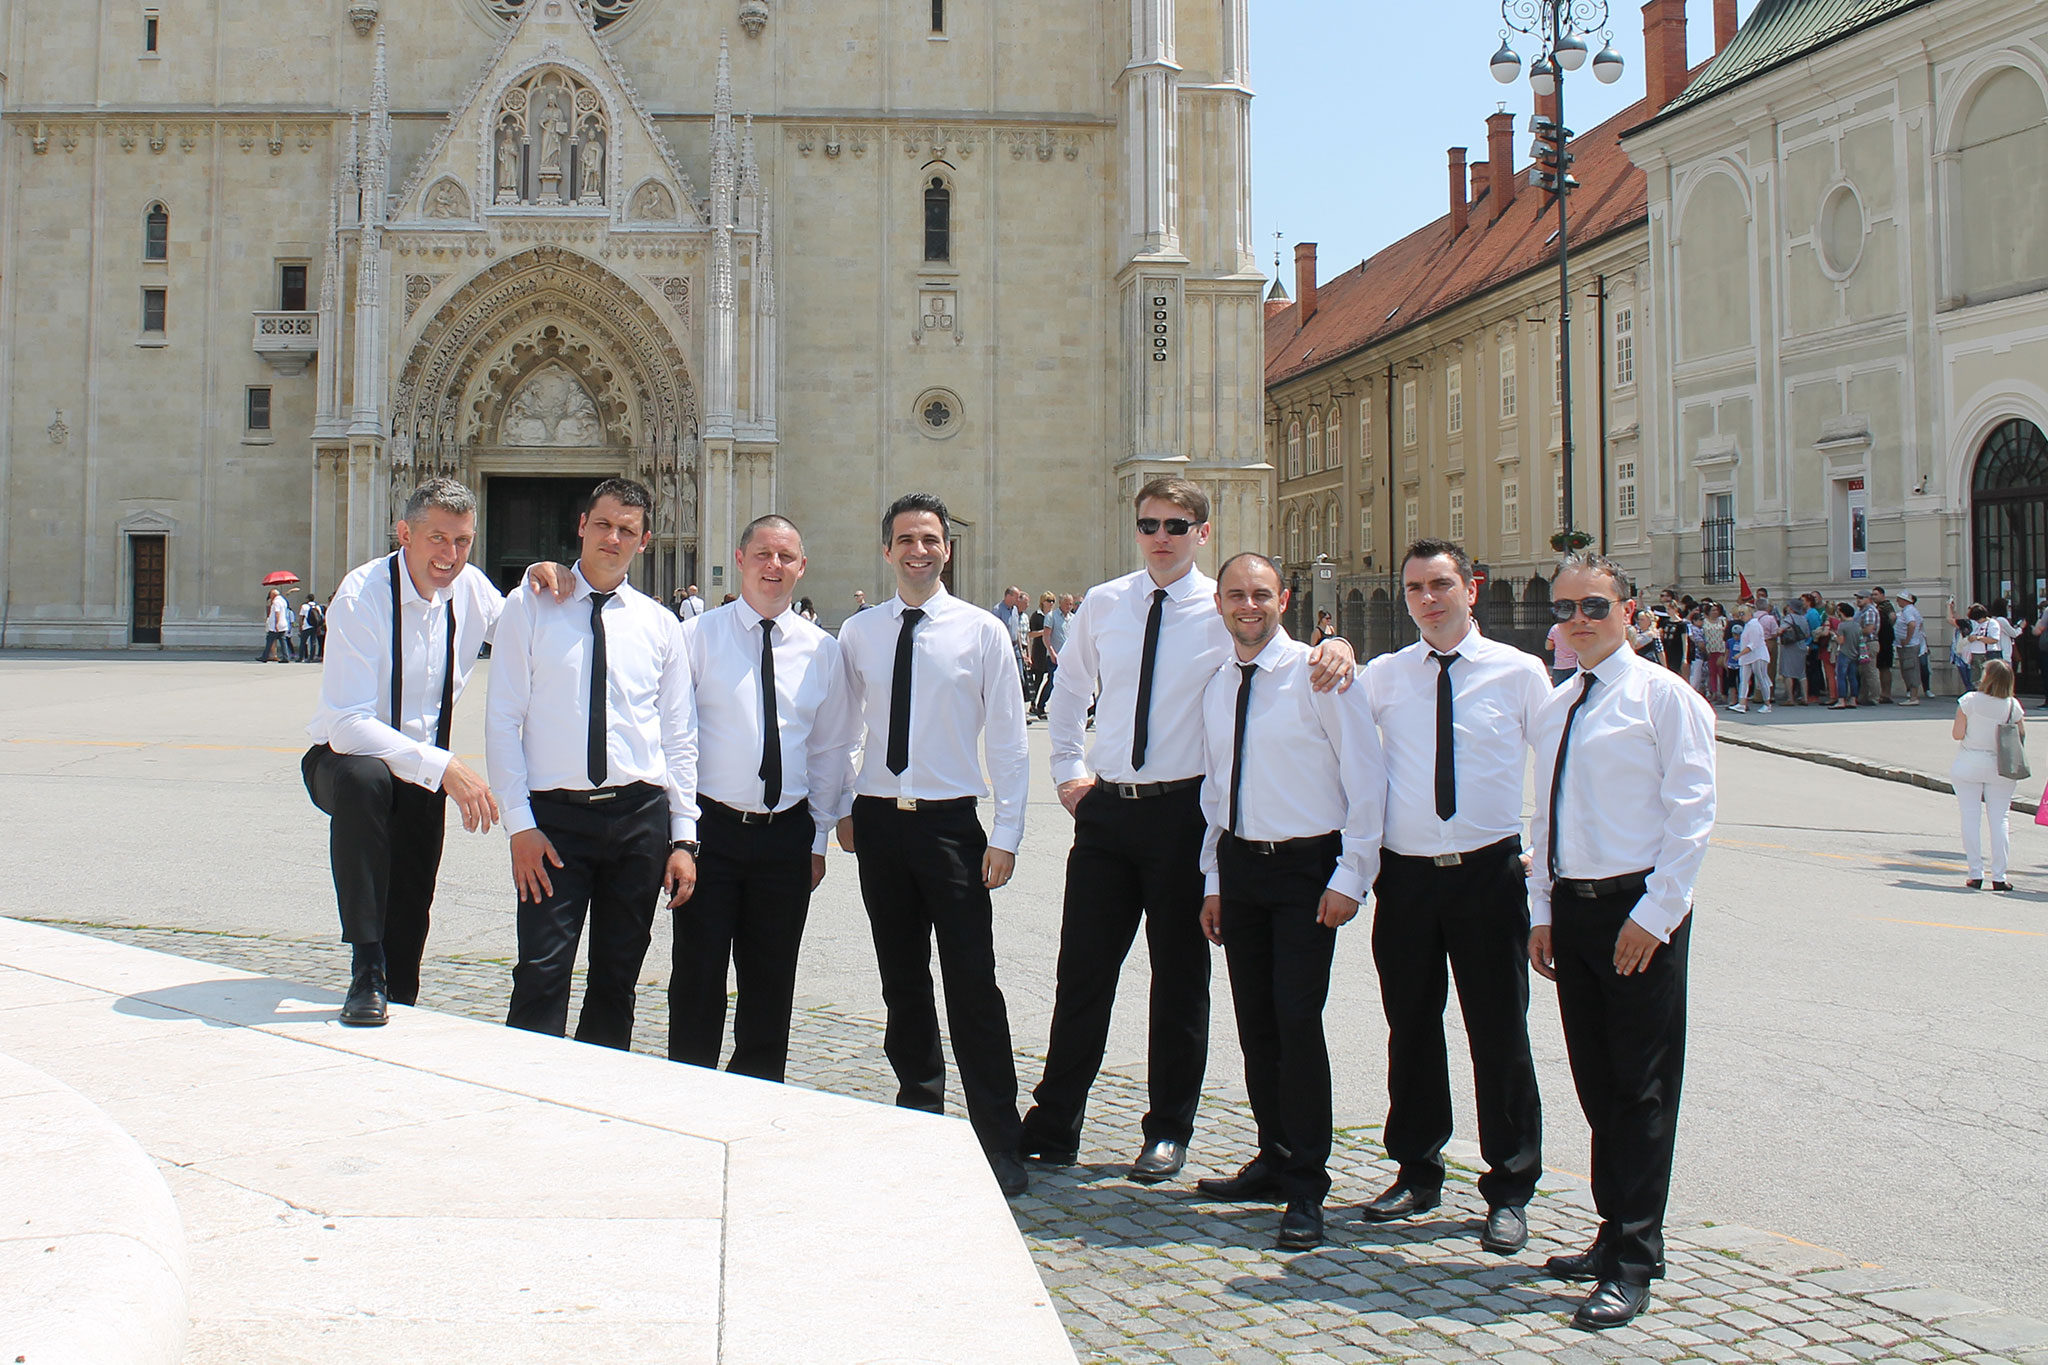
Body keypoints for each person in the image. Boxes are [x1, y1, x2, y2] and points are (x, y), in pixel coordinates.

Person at [1023, 476, 1356, 1185]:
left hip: (1183, 813)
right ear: (1136, 529)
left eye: (1177, 525)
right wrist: (1068, 771)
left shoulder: (1223, 606)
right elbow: (1071, 686)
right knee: (1082, 971)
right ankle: (1055, 1120)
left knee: (1179, 979)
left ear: (1202, 533)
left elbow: (1282, 654)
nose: (1162, 537)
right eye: (1150, 524)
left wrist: (1341, 646)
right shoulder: (1105, 603)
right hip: (1108, 808)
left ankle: (1168, 1129)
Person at [1529, 553, 1716, 1331]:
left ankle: (1633, 1259)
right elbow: (1543, 815)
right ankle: (1618, 1229)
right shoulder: (1558, 703)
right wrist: (1541, 908)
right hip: (1573, 910)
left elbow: (1692, 812)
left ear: (1628, 611)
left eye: (1595, 606)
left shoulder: (1663, 697)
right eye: (1566, 608)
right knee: (1598, 1082)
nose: (1579, 620)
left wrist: (1656, 913)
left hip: (1638, 912)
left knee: (1641, 1089)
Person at [302, 477, 566, 1025]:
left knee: (414, 893)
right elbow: (348, 724)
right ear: (405, 534)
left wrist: (541, 578)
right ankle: (365, 969)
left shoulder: (470, 589)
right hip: (343, 763)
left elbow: (523, 631)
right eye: (438, 538)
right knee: (367, 781)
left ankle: (397, 990)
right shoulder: (361, 594)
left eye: (463, 541)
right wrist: (445, 765)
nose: (451, 554)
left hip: (422, 772)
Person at [1352, 540, 1547, 1256]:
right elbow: (1338, 742)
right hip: (1406, 878)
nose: (1428, 599)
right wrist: (1334, 646)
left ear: (1473, 587)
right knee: (1410, 1026)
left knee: (1499, 1033)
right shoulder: (1384, 676)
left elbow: (1559, 767)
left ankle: (1510, 1187)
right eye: (1415, 588)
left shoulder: (1519, 673)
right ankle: (1417, 1169)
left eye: (1441, 584)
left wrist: (1545, 857)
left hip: (1488, 874)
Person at [836, 493, 1032, 1197]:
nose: (918, 551)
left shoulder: (982, 632)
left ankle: (998, 1137)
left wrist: (1006, 832)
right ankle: (919, 1110)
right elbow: (842, 728)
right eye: (906, 539)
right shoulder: (859, 632)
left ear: (947, 549)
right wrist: (844, 806)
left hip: (952, 827)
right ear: (886, 549)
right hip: (880, 824)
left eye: (930, 540)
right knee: (902, 980)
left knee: (973, 983)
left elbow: (1008, 738)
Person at [1195, 553, 1385, 1251]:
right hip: (1242, 867)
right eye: (1236, 595)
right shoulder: (1219, 681)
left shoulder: (1319, 674)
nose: (1248, 605)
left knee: (1297, 1022)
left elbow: (1366, 777)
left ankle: (1307, 1183)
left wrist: (1351, 875)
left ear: (1285, 598)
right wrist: (1214, 880)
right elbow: (1216, 789)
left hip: (1308, 868)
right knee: (1256, 1024)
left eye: (1261, 594)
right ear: (1220, 602)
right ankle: (1274, 1156)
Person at [487, 478, 699, 1051]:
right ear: (581, 525)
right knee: (541, 969)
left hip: (639, 817)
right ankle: (524, 1089)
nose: (613, 538)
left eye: (627, 530)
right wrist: (519, 826)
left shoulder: (660, 624)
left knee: (617, 977)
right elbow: (502, 719)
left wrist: (684, 837)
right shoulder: (530, 606)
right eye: (603, 524)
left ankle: (598, 1092)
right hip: (555, 821)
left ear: (645, 541)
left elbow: (679, 736)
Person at [670, 515, 858, 1082]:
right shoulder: (697, 637)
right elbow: (676, 740)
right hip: (712, 831)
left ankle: (757, 1092)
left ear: (802, 567)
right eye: (762, 554)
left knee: (772, 981)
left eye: (786, 557)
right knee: (697, 976)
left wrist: (817, 839)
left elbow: (830, 748)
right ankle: (689, 1091)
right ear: (740, 559)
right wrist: (681, 836)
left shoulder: (823, 651)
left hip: (786, 835)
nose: (773, 566)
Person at [1952, 657, 2023, 892]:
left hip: (1969, 762)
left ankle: (1975, 873)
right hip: (2001, 766)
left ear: (1987, 677)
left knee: (1970, 817)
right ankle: (2000, 876)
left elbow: (1957, 734)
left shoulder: (1969, 701)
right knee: (2000, 819)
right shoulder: (2012, 706)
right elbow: (2020, 736)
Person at [1728, 606, 1771, 713]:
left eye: (1743, 614)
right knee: (1744, 680)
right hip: (1747, 657)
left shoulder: (1754, 625)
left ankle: (1767, 704)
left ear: (1750, 614)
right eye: (1740, 614)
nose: (1741, 616)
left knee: (1761, 679)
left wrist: (1740, 654)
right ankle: (1742, 703)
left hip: (1757, 655)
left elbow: (1753, 644)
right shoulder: (1748, 625)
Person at [1025, 591, 1057, 720]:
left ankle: (1041, 703)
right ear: (1043, 602)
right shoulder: (1037, 616)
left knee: (1051, 679)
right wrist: (1044, 632)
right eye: (1049, 601)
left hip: (1050, 651)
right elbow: (1030, 634)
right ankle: (1033, 703)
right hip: (1039, 650)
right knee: (1037, 679)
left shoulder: (1054, 616)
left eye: (1053, 601)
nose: (1051, 603)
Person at [1775, 596, 1809, 705]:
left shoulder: (1789, 618)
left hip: (1790, 647)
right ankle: (1805, 697)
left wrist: (1777, 632)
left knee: (1788, 673)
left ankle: (1790, 698)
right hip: (1801, 646)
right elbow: (1807, 634)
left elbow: (1780, 630)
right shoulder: (1803, 618)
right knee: (1802, 674)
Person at [1895, 591, 1926, 705]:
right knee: (1909, 668)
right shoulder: (1911, 610)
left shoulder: (1908, 611)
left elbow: (1912, 624)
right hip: (1910, 644)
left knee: (1910, 669)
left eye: (1899, 599)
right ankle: (1912, 695)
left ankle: (1913, 697)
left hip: (1909, 646)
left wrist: (1907, 639)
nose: (1897, 601)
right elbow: (1920, 623)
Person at [1871, 587, 1896, 703]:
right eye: (1872, 595)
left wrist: (1887, 627)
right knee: (1881, 667)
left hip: (1885, 640)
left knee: (1885, 667)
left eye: (1876, 594)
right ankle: (1884, 693)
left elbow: (1893, 617)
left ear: (1882, 595)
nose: (1874, 597)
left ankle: (1886, 694)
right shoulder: (1878, 607)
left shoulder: (1886, 605)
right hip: (1882, 639)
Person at [261, 588, 297, 662]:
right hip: (283, 623)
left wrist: (276, 624)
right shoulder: (283, 601)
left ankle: (264, 657)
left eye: (271, 595)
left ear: (273, 595)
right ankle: (286, 657)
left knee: (269, 640)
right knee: (283, 641)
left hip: (276, 625)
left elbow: (277, 613)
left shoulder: (276, 602)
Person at [1545, 620, 1578, 687]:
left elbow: (1548, 647)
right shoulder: (1576, 628)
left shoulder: (1555, 628)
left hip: (1559, 667)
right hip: (1575, 665)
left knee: (1559, 691)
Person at [298, 593, 326, 663]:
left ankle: (301, 657)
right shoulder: (317, 606)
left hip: (306, 626)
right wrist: (319, 627)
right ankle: (311, 658)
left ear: (307, 599)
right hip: (314, 626)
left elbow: (301, 617)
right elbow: (320, 618)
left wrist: (300, 627)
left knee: (303, 642)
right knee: (313, 642)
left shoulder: (304, 606)